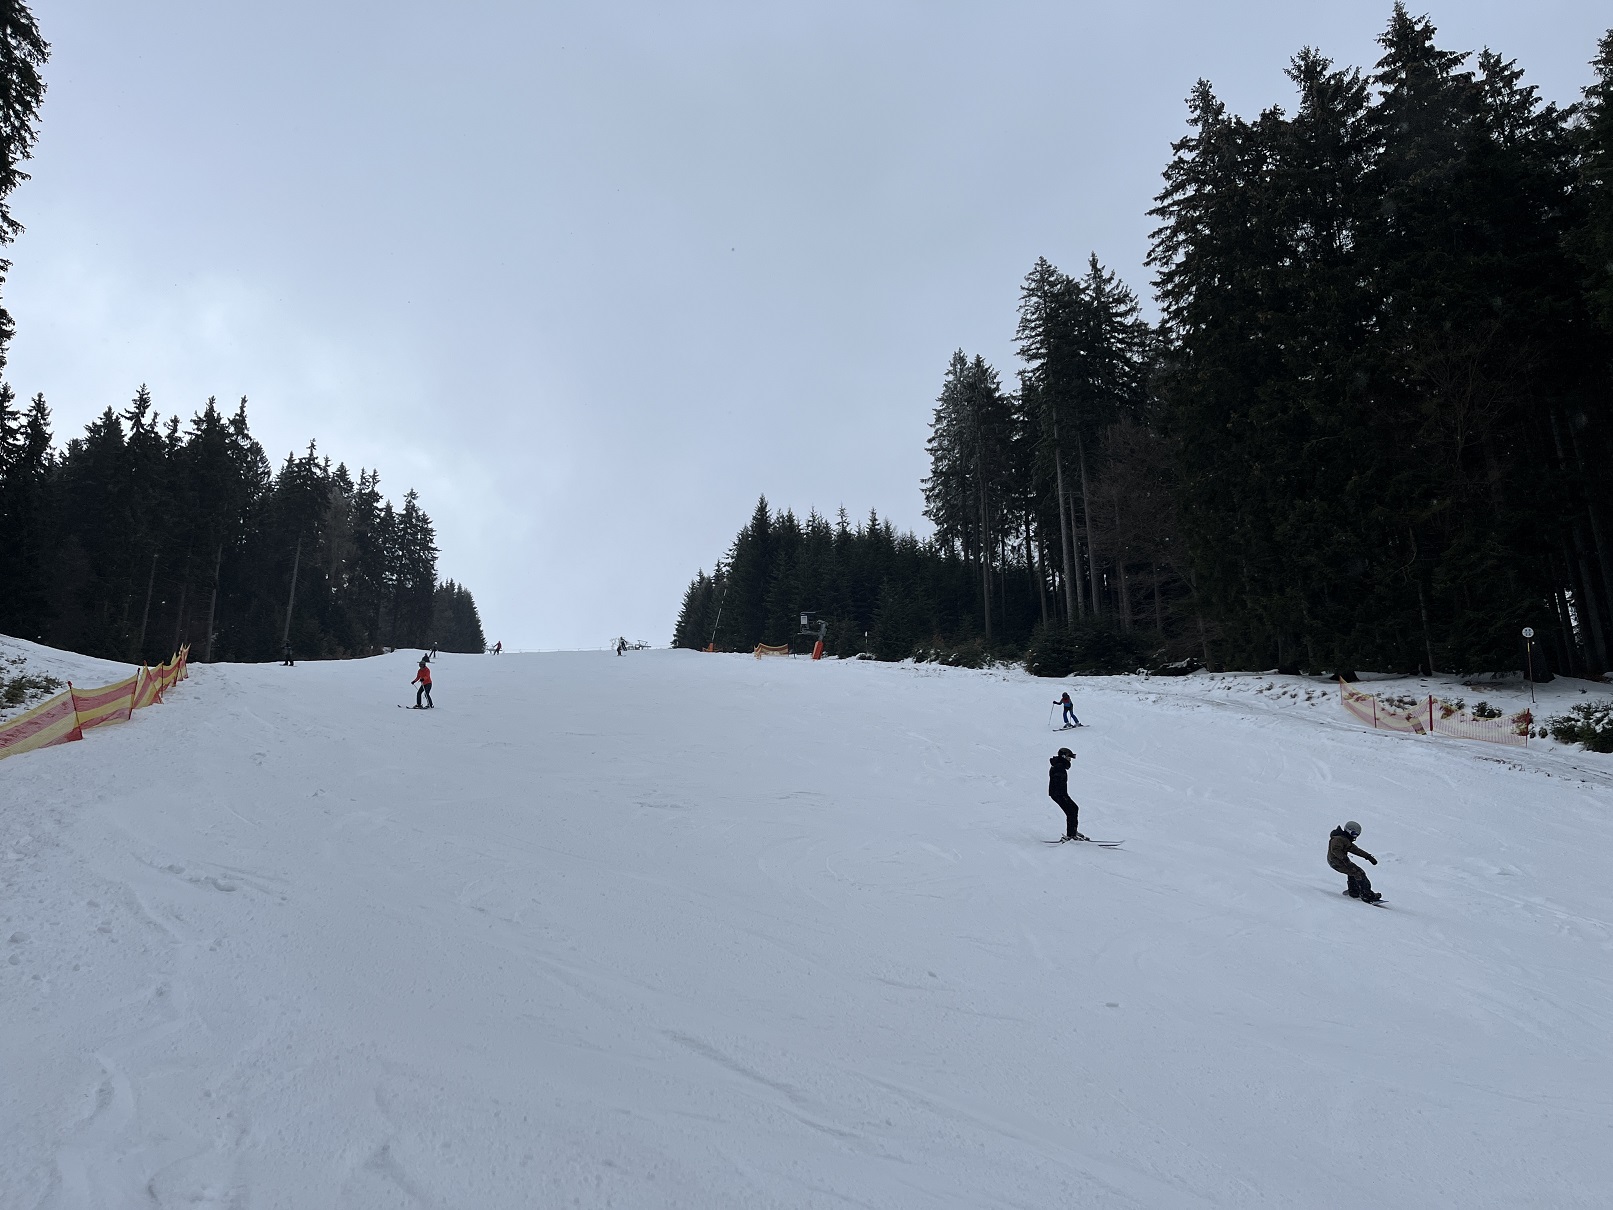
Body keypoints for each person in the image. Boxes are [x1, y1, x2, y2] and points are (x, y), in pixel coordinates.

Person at [1328, 820, 1380, 902]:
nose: (1355, 837)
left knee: (1353, 872)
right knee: (1359, 872)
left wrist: (1368, 856)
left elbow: (1355, 850)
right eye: (1354, 834)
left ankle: (1354, 891)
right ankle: (1367, 895)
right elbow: (1335, 850)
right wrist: (1345, 859)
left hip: (1339, 862)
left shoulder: (1345, 839)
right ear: (1349, 831)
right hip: (1336, 862)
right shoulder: (1338, 839)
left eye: (1357, 834)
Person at [1048, 747, 1085, 841]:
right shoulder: (1059, 766)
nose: (1070, 760)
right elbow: (1057, 780)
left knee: (1073, 809)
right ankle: (1071, 835)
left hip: (1059, 793)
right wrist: (1060, 791)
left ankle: (1072, 832)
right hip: (1059, 794)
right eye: (1069, 757)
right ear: (1064, 756)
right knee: (1072, 810)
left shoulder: (1059, 765)